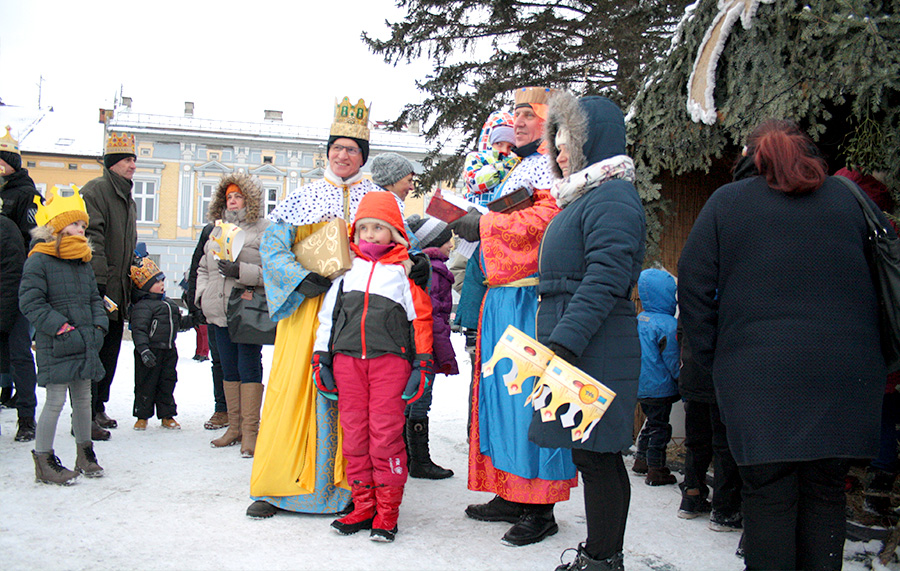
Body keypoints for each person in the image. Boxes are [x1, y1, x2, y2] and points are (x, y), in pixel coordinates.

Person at [678, 119, 887, 571]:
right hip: (846, 376)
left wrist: (719, 360)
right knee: (825, 493)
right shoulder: (850, 200)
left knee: (767, 494)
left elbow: (692, 289)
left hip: (759, 379)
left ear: (750, 153)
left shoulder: (727, 203)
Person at [450, 86, 574, 548]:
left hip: (530, 301)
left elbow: (543, 225)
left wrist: (482, 225)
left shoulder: (557, 168)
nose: (518, 122)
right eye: (515, 115)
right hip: (501, 299)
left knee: (530, 401)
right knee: (499, 400)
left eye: (529, 114)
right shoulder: (520, 165)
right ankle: (507, 489)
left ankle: (539, 507)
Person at [247, 96, 378, 519]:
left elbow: (394, 247)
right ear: (327, 152)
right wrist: (300, 279)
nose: (343, 155)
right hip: (307, 309)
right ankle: (278, 486)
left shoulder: (376, 199)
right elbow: (272, 247)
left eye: (352, 149)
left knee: (354, 398)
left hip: (358, 312)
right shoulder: (301, 197)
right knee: (293, 389)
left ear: (363, 156)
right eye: (337, 147)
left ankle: (353, 490)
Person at [531, 92, 645, 571]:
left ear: (591, 143)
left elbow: (606, 276)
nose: (557, 155)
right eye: (555, 144)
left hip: (594, 344)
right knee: (588, 454)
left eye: (566, 144)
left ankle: (603, 558)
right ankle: (600, 555)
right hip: (580, 341)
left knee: (600, 456)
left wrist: (563, 341)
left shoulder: (613, 196)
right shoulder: (588, 196)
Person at [312, 191, 434, 541]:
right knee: (353, 437)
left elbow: (421, 320)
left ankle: (388, 512)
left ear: (394, 232)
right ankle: (363, 505)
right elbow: (327, 319)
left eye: (378, 228)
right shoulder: (346, 272)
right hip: (348, 363)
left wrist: (422, 364)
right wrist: (322, 358)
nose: (369, 235)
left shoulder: (402, 274)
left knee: (384, 437)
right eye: (363, 227)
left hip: (389, 365)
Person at [19, 187, 107, 484]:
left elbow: (95, 299)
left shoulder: (82, 261)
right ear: (56, 226)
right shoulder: (39, 259)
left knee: (84, 399)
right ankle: (44, 459)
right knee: (55, 400)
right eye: (74, 224)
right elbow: (31, 301)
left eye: (83, 225)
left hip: (84, 341)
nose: (81, 229)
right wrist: (60, 327)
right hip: (57, 342)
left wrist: (98, 326)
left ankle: (85, 452)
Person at [196, 173, 269, 458]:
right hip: (218, 310)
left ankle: (251, 431)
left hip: (246, 310)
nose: (233, 201)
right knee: (228, 369)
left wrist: (241, 272)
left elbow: (274, 273)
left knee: (248, 367)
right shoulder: (217, 230)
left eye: (238, 196)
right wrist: (202, 296)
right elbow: (203, 267)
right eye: (229, 197)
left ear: (249, 199)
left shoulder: (263, 229)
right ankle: (234, 427)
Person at [81, 131, 139, 440]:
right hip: (101, 289)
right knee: (96, 350)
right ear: (114, 163)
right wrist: (100, 284)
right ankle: (87, 411)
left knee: (111, 351)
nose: (133, 166)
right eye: (128, 160)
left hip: (119, 290)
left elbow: (126, 245)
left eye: (134, 160)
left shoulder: (126, 196)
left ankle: (99, 405)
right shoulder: (97, 191)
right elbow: (93, 239)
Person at [676, 317, 743, 529]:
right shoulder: (727, 299)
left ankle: (691, 496)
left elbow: (680, 335)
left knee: (696, 441)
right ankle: (723, 509)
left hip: (693, 374)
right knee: (723, 446)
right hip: (721, 379)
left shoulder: (694, 299)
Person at [405, 213, 457, 479]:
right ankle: (419, 461)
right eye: (448, 239)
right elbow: (434, 318)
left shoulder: (427, 266)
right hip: (426, 346)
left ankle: (407, 458)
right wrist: (445, 355)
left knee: (411, 399)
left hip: (418, 345)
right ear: (436, 241)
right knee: (420, 401)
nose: (452, 244)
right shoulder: (435, 271)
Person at [0, 126, 40, 440]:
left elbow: (33, 236)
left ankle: (26, 416)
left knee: (19, 352)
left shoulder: (25, 193)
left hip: (18, 280)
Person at [129, 257, 193, 430]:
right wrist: (143, 350)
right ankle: (142, 415)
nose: (162, 284)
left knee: (167, 383)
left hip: (169, 350)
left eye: (163, 281)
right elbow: (139, 330)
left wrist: (193, 320)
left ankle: (167, 415)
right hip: (149, 352)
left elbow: (177, 324)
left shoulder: (169, 304)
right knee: (145, 384)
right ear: (146, 285)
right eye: (157, 282)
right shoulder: (143, 306)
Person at [633, 268, 681, 486]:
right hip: (660, 386)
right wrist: (680, 378)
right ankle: (656, 468)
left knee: (650, 422)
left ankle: (640, 460)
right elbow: (672, 357)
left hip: (640, 384)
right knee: (661, 427)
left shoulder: (639, 319)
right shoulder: (668, 325)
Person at [184, 224, 227, 430]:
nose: (232, 202)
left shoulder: (254, 228)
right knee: (218, 360)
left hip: (242, 303)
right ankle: (222, 409)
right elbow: (197, 268)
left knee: (246, 360)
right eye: (228, 197)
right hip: (214, 305)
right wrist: (197, 302)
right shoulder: (211, 230)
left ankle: (246, 414)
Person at [462, 111, 520, 207]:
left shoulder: (514, 162)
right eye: (499, 144)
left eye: (510, 146)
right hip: (475, 211)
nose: (504, 150)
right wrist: (501, 168)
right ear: (489, 141)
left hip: (501, 213)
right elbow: (475, 183)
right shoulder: (475, 157)